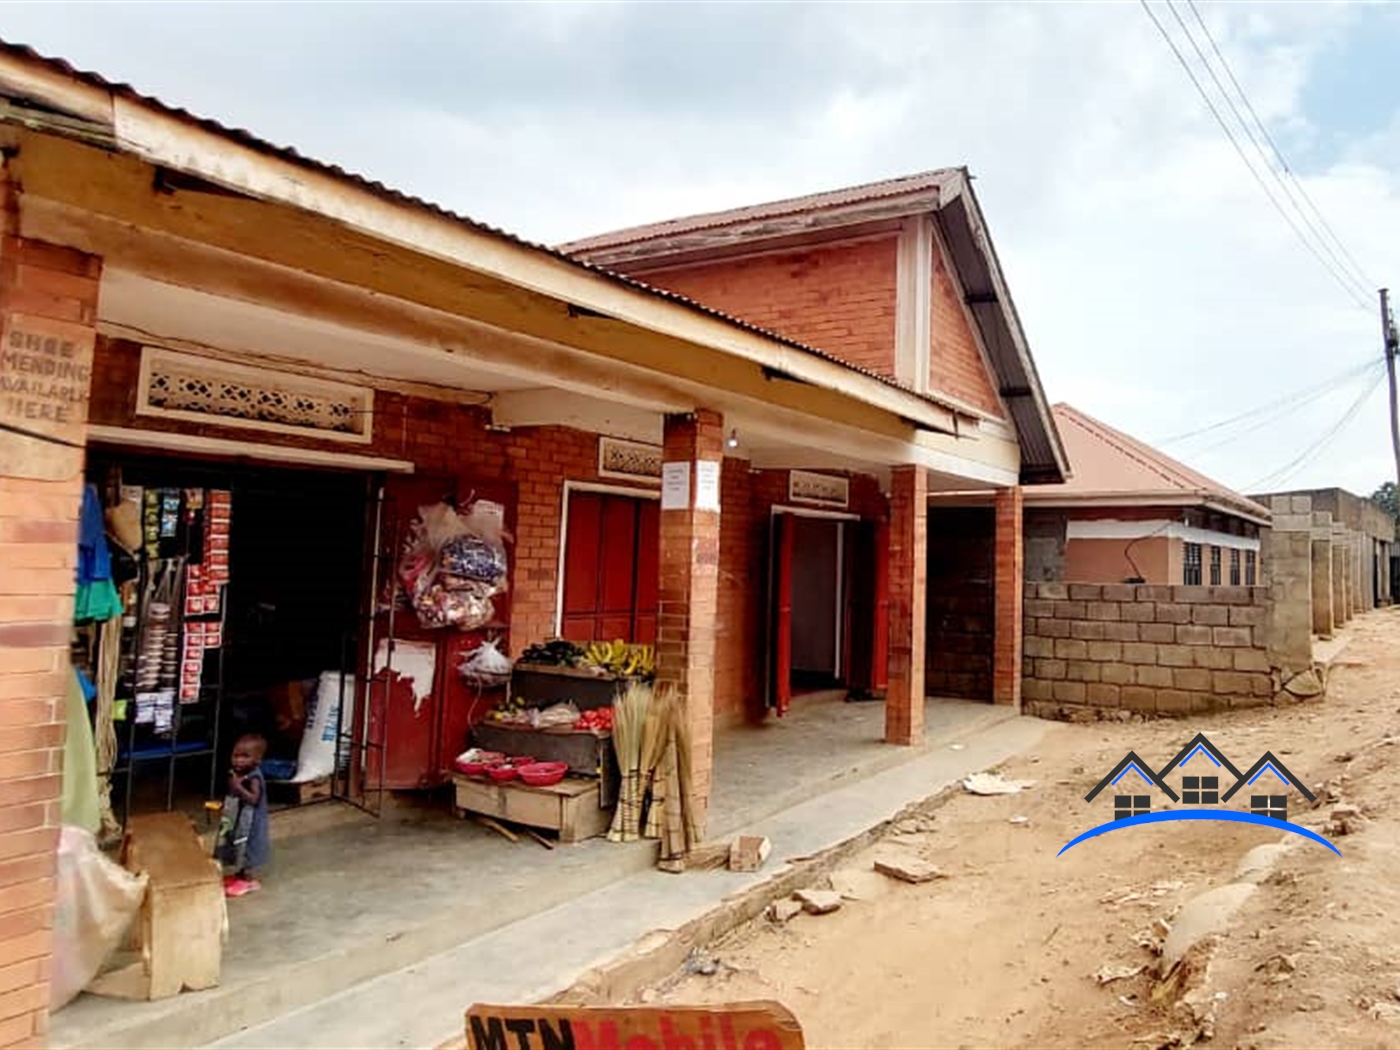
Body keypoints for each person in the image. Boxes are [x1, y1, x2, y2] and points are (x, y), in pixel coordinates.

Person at [215, 734, 271, 897]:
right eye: (236, 755)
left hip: (251, 823)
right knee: (236, 846)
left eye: (245, 757)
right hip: (239, 819)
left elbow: (254, 799)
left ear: (258, 759)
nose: (238, 760)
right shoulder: (237, 773)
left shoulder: (254, 777)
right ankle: (239, 875)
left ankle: (248, 880)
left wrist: (237, 786)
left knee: (247, 849)